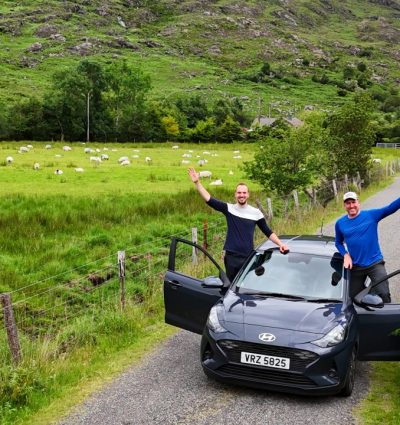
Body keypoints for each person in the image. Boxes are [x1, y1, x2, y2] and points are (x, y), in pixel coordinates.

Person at [188, 167, 289, 281]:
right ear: (235, 194)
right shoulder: (229, 209)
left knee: (246, 284)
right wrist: (197, 183)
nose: (242, 195)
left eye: (244, 193)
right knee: (231, 285)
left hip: (248, 257)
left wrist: (280, 244)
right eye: (239, 193)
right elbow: (209, 199)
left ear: (248, 194)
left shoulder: (256, 213)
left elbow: (268, 232)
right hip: (231, 257)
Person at [335, 191, 400, 303]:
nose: (351, 206)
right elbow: (338, 242)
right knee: (352, 298)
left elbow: (390, 208)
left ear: (358, 203)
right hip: (356, 266)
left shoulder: (371, 215)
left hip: (375, 263)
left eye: (353, 202)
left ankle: (383, 310)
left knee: (384, 294)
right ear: (344, 205)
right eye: (348, 203)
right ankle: (369, 295)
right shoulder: (340, 223)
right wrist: (345, 255)